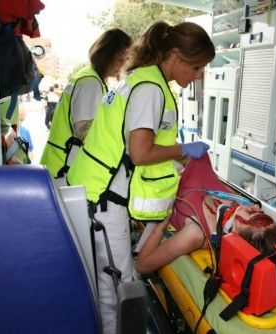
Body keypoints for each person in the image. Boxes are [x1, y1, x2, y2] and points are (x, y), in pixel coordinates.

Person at [66, 21, 215, 334]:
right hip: (103, 195)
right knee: (119, 283)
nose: (199, 75)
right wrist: (182, 149)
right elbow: (140, 152)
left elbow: (135, 143)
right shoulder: (150, 88)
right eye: (197, 66)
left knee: (110, 278)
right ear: (175, 55)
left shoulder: (141, 78)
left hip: (95, 186)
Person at [135, 155, 276, 289]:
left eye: (255, 215)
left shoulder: (195, 233)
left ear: (239, 235)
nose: (255, 206)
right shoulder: (237, 207)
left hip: (158, 168)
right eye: (261, 212)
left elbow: (142, 265)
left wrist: (162, 221)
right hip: (174, 158)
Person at [40, 28, 133, 179]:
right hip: (64, 168)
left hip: (59, 163)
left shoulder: (89, 77)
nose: (122, 65)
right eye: (120, 59)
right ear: (107, 55)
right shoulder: (90, 82)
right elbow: (85, 132)